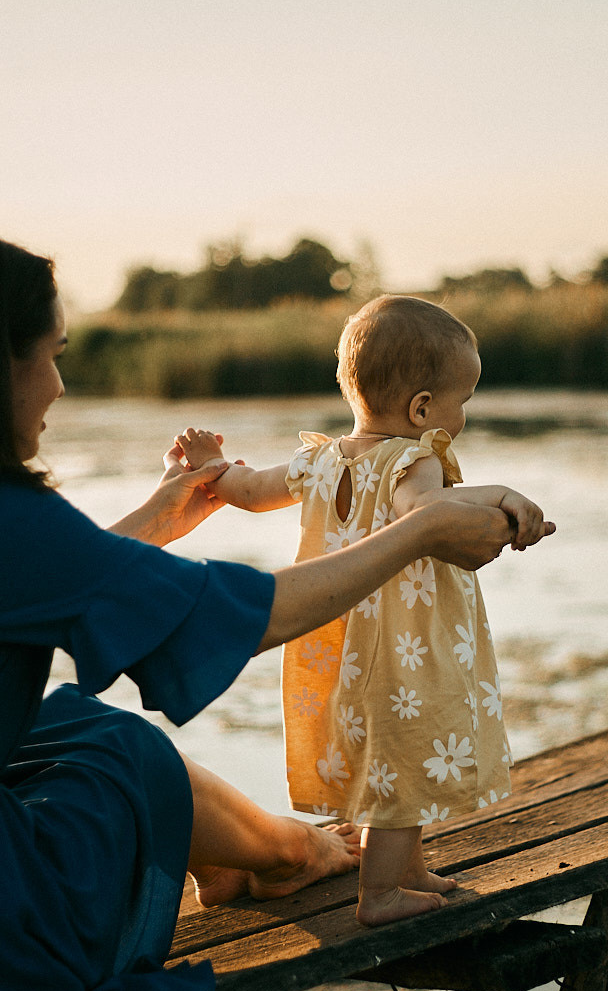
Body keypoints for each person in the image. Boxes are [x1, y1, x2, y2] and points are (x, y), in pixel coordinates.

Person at [0, 231, 513, 991]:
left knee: (61, 724)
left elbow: (24, 584)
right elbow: (254, 613)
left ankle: (266, 856)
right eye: (51, 358)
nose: (59, 387)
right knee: (118, 751)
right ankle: (292, 854)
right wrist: (419, 533)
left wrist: (161, 516)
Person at [168, 294, 555, 928]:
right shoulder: (415, 459)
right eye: (463, 401)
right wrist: (502, 497)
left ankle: (408, 869)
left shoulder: (317, 460)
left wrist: (209, 466)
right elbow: (424, 515)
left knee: (389, 751)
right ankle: (380, 895)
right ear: (423, 407)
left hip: (336, 636)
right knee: (405, 755)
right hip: (405, 643)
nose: (463, 415)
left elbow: (246, 491)